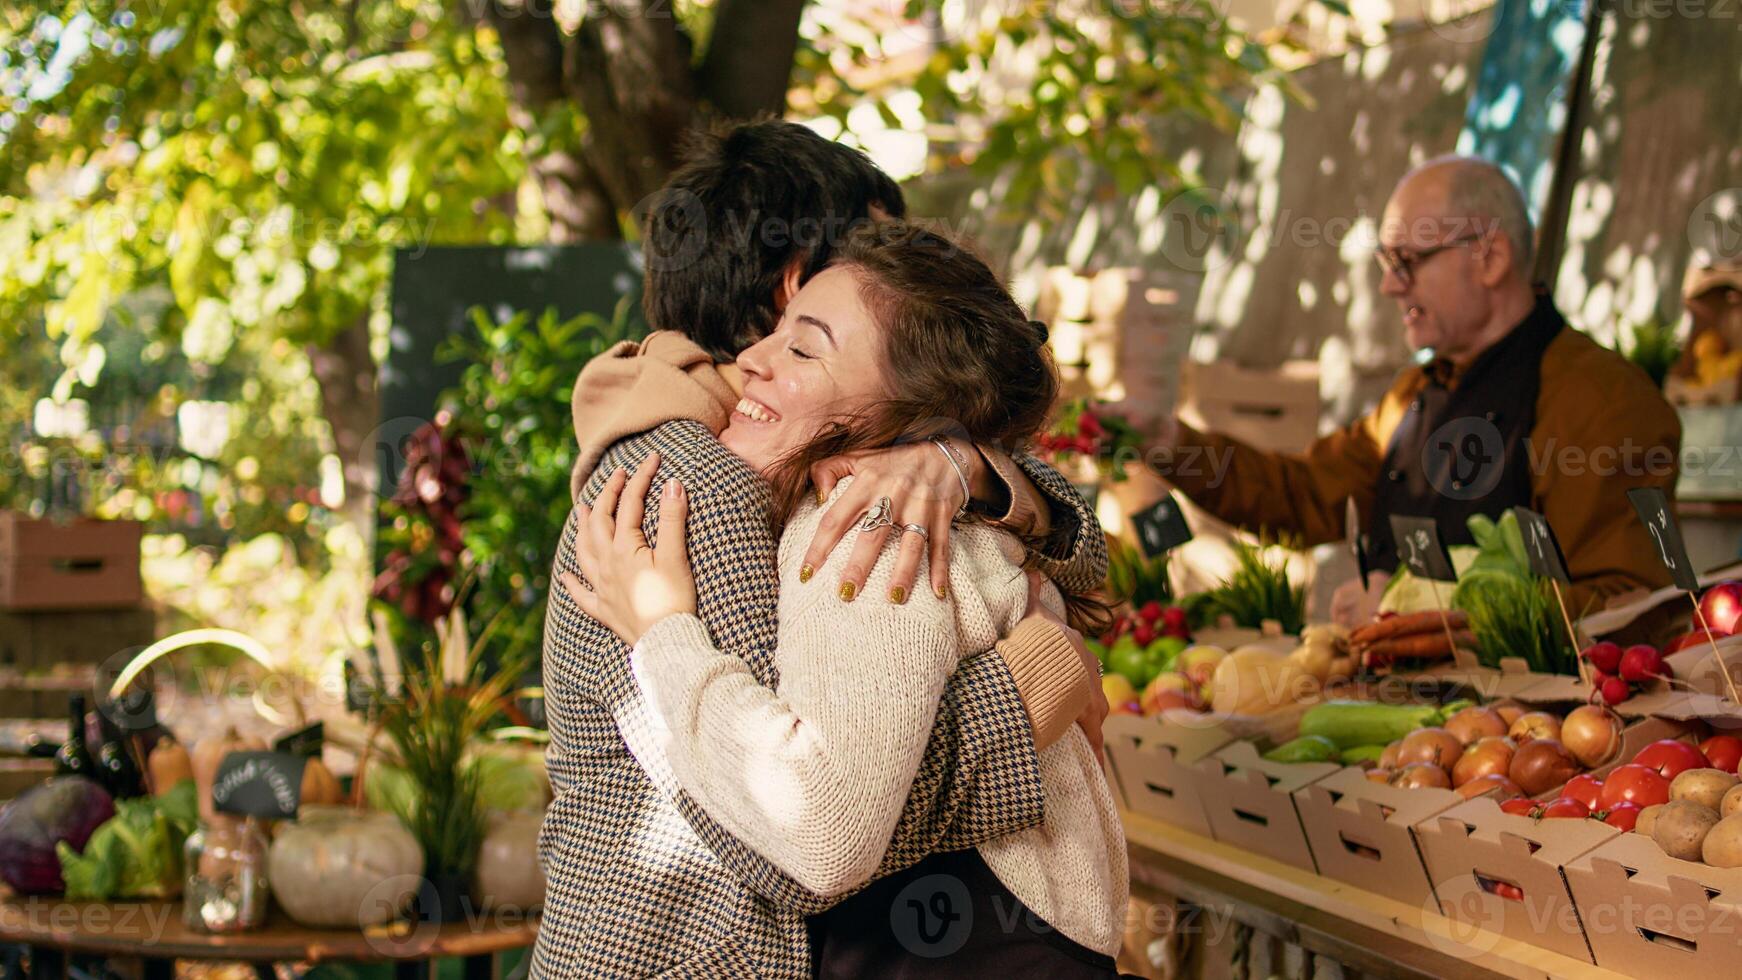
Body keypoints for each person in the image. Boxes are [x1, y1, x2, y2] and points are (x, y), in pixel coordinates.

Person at [531, 121, 1110, 978]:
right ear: (804, 276)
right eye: (877, 245)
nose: (897, 268)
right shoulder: (701, 481)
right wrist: (1029, 690)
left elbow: (1085, 552)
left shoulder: (838, 457)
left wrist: (961, 464)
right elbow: (789, 833)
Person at [1147, 156, 1680, 624]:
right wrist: (1170, 444)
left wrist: (1419, 607)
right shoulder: (1414, 393)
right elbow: (1305, 494)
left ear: (1490, 258)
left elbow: (1629, 604)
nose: (1389, 285)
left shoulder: (1603, 402)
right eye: (1385, 262)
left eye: (1408, 261)